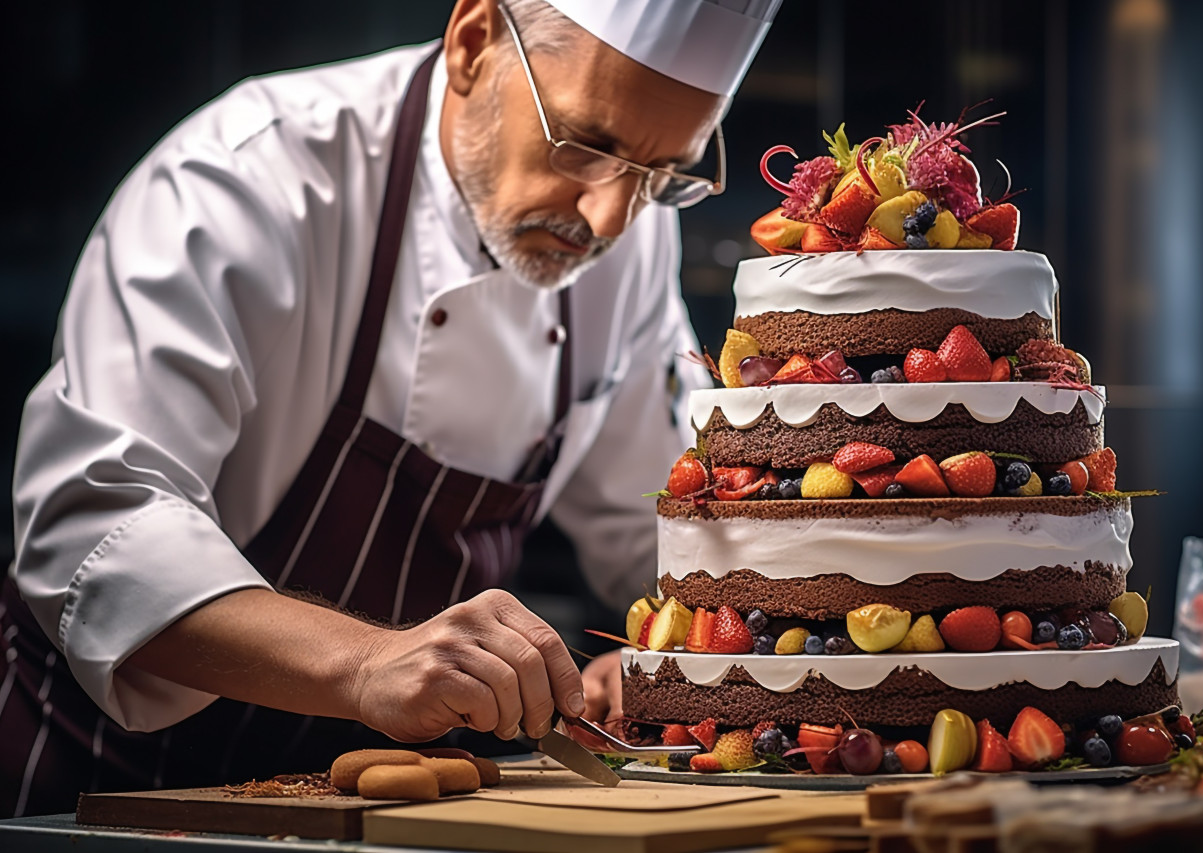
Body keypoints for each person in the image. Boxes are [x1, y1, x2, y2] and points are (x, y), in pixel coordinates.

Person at [0, 0, 781, 817]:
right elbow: (95, 529)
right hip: (112, 780)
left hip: (399, 813)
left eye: (663, 175)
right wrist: (367, 664)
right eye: (587, 146)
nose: (608, 219)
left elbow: (652, 527)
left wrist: (665, 658)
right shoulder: (244, 179)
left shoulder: (630, 238)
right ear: (474, 42)